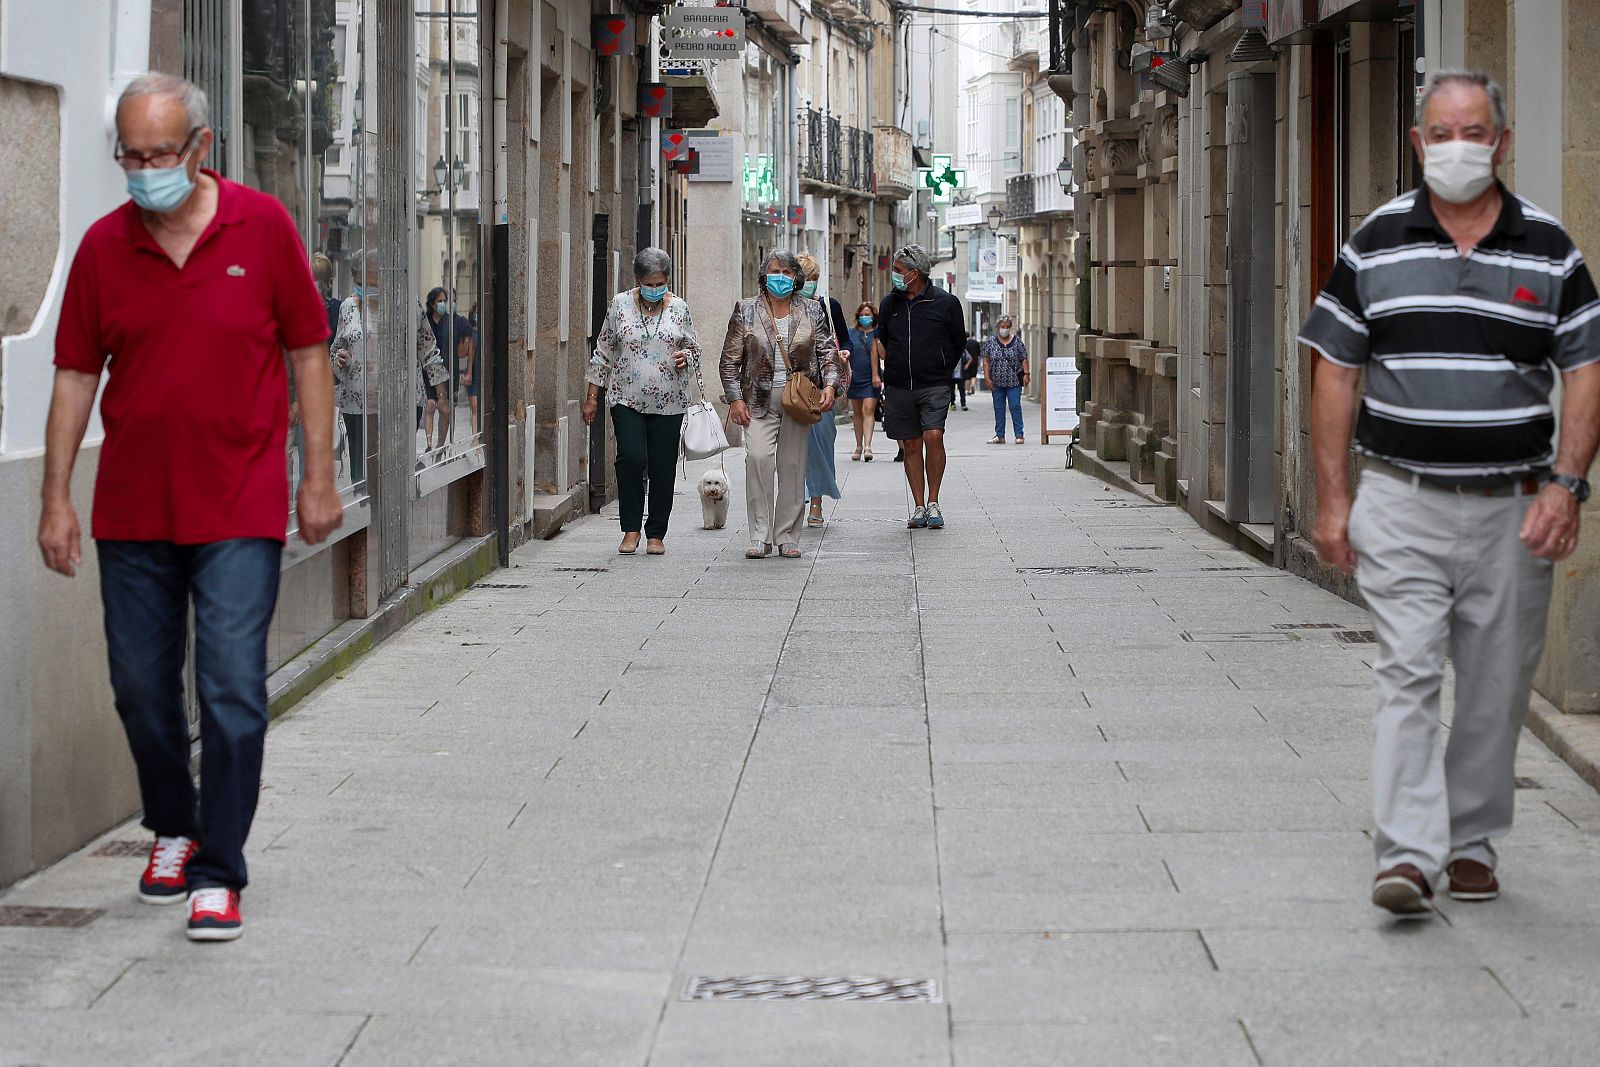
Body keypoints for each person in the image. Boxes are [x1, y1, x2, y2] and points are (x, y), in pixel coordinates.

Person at [37, 73, 342, 942]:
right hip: (132, 507)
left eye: (158, 154)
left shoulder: (264, 228)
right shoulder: (103, 248)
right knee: (139, 688)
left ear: (201, 149)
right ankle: (174, 822)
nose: (141, 171)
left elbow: (310, 351)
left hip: (239, 502)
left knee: (233, 689)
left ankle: (218, 869)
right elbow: (72, 376)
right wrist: (56, 496)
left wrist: (316, 477)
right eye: (129, 155)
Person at [1301, 70, 1600, 918]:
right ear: (1418, 142)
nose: (1459, 145)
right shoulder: (1375, 242)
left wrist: (1567, 485)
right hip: (1401, 497)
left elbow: (1586, 369)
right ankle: (1406, 854)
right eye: (1443, 132)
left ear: (1501, 142)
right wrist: (1333, 499)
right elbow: (1336, 371)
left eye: (1475, 130)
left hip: (1515, 505)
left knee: (1498, 682)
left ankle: (1470, 841)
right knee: (1407, 669)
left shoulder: (1549, 249)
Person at [721, 249, 840, 559]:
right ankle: (760, 536)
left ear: (797, 278)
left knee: (792, 466)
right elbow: (730, 360)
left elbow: (827, 354)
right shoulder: (746, 310)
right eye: (775, 271)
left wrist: (830, 385)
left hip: (798, 401)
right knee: (758, 459)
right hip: (757, 400)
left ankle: (787, 534)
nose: (781, 278)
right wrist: (735, 399)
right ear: (764, 275)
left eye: (788, 273)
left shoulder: (812, 311)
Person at [583, 247, 701, 555]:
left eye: (659, 282)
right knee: (631, 459)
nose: (653, 288)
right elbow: (604, 349)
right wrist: (592, 396)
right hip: (626, 397)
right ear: (638, 280)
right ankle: (631, 528)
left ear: (666, 280)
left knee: (663, 467)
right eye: (648, 283)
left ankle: (656, 532)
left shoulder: (679, 308)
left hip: (669, 401)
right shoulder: (620, 305)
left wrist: (685, 357)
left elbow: (695, 350)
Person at [876, 244, 967, 529]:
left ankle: (934, 501)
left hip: (934, 384)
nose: (894, 275)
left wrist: (940, 366)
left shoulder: (946, 303)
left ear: (914, 274)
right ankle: (918, 506)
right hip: (900, 385)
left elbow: (957, 342)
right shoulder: (890, 304)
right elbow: (885, 340)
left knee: (933, 436)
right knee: (911, 444)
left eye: (899, 271)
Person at [797, 252, 848, 528]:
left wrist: (843, 355)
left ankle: (816, 501)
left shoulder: (828, 306)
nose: (811, 284)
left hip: (820, 386)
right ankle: (795, 499)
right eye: (807, 279)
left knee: (821, 443)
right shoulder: (782, 308)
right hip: (791, 387)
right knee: (793, 447)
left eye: (815, 279)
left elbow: (843, 339)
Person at [424, 286, 472, 446]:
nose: (443, 304)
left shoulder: (453, 322)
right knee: (430, 406)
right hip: (429, 372)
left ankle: (441, 444)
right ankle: (429, 445)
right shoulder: (426, 322)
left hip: (449, 373)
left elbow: (464, 347)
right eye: (440, 301)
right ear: (432, 304)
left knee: (446, 411)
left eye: (446, 301)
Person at [982, 315, 1029, 444]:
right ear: (998, 327)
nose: (1005, 329)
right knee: (999, 408)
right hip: (996, 382)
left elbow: (1023, 358)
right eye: (1003, 327)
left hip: (1014, 382)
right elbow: (986, 361)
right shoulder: (991, 342)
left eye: (1007, 327)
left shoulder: (1017, 341)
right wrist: (986, 378)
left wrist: (1026, 374)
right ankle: (1000, 435)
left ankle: (1019, 434)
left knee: (1015, 406)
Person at [847, 301, 881, 462]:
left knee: (868, 409)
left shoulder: (878, 333)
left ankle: (868, 446)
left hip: (871, 378)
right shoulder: (851, 333)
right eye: (861, 315)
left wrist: (879, 340)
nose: (864, 317)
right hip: (854, 377)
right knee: (858, 413)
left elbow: (882, 355)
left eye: (867, 314)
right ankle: (858, 445)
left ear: (873, 316)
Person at [953, 335, 980, 410]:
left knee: (963, 386)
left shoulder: (964, 348)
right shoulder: (975, 343)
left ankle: (966, 395)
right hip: (955, 373)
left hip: (961, 371)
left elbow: (969, 357)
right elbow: (978, 354)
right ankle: (972, 386)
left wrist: (967, 365)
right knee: (973, 376)